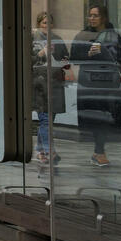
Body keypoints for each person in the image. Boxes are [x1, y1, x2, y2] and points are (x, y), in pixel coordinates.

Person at [70, 5, 121, 166]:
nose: (92, 18)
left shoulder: (113, 36)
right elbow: (73, 56)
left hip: (109, 82)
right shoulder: (83, 35)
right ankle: (99, 151)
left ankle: (99, 150)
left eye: (96, 15)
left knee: (109, 116)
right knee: (94, 116)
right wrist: (88, 54)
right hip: (89, 82)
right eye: (90, 15)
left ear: (104, 18)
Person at [31, 12, 68, 167]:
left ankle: (40, 150)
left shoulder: (58, 39)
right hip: (39, 84)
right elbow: (28, 59)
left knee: (49, 119)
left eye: (49, 23)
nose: (47, 26)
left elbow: (66, 59)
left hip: (54, 83)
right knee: (45, 118)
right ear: (39, 24)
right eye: (44, 23)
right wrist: (41, 53)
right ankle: (48, 150)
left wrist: (64, 61)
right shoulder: (33, 38)